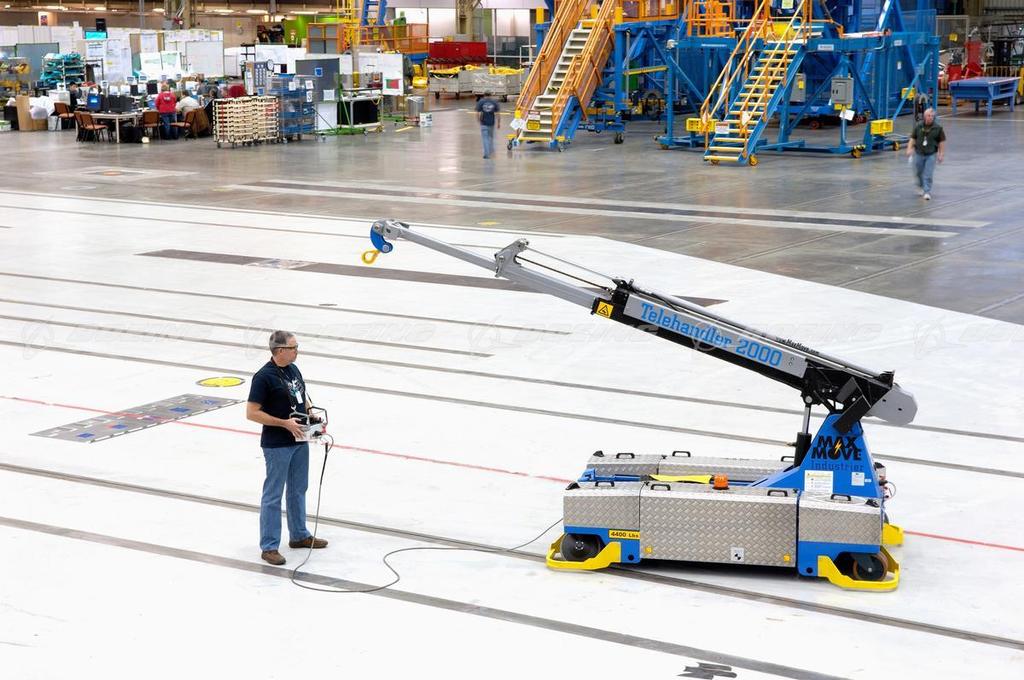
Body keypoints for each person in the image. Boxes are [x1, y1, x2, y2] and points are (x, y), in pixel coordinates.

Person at [246, 331, 328, 566]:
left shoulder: (293, 369)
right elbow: (252, 413)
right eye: (293, 347)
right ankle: (269, 546)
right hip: (277, 444)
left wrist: (311, 413)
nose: (297, 350)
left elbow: (303, 395)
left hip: (300, 440)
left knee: (298, 489)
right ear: (280, 350)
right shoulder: (263, 377)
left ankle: (299, 535)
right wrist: (284, 423)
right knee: (273, 495)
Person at [906, 107, 945, 201]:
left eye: (932, 116)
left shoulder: (938, 128)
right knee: (918, 172)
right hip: (919, 153)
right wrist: (909, 148)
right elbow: (913, 138)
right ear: (924, 116)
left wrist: (941, 154)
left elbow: (941, 142)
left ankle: (927, 191)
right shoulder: (918, 126)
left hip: (931, 154)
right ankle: (920, 186)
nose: (930, 117)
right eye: (928, 115)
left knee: (928, 173)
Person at [475, 91, 500, 159]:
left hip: (483, 123)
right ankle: (491, 151)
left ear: (484, 95)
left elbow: (477, 112)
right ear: (490, 95)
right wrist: (498, 123)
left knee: (485, 139)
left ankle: (486, 154)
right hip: (491, 123)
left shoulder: (481, 102)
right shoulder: (494, 102)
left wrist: (478, 120)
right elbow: (498, 113)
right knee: (491, 138)